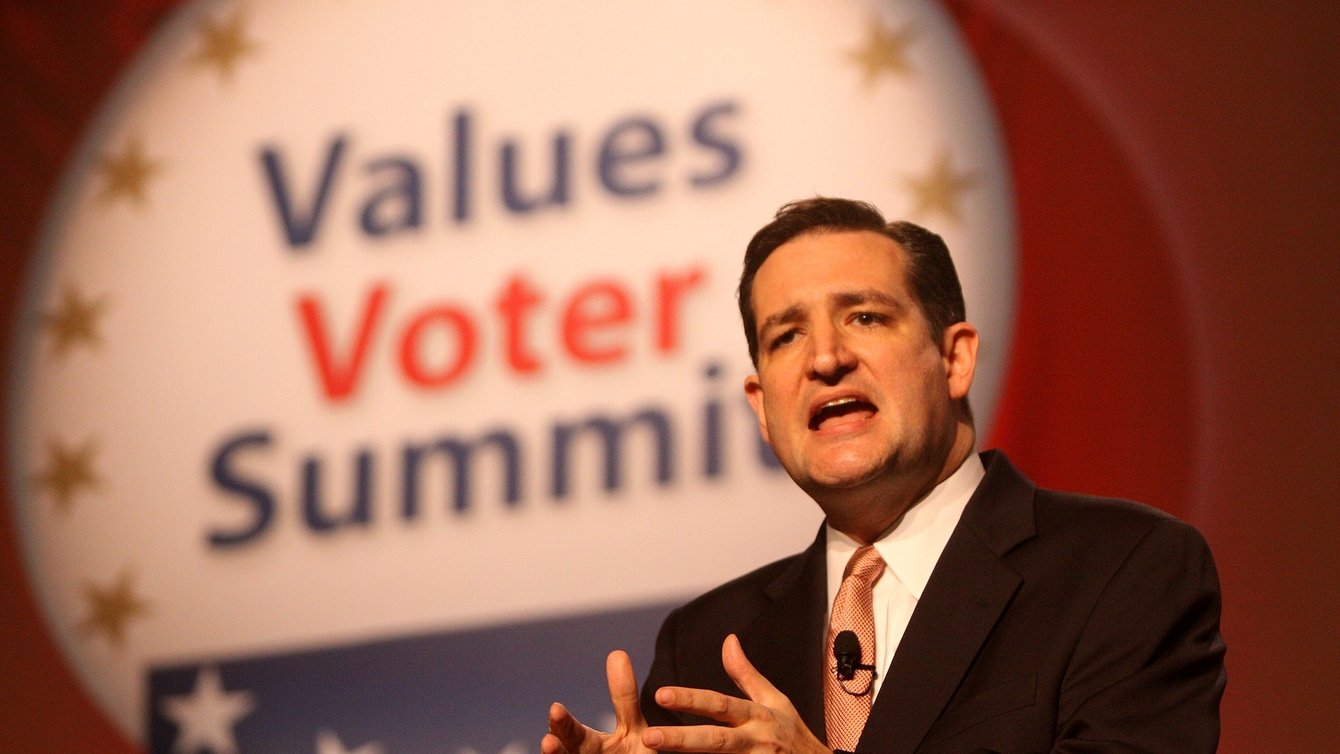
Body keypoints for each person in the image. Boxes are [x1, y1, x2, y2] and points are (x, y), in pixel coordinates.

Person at [541, 197, 1226, 753]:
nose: (826, 358)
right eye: (786, 336)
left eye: (865, 316)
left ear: (954, 360)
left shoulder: (1123, 568)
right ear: (762, 407)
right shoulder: (708, 642)